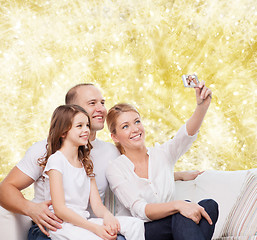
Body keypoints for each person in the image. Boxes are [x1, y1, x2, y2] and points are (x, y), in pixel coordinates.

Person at [0, 83, 202, 240]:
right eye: (92, 103)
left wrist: (177, 175)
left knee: (147, 226)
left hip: (89, 226)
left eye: (102, 102)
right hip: (53, 228)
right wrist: (30, 208)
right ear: (72, 110)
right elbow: (5, 188)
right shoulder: (46, 151)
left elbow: (132, 173)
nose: (101, 109)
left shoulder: (109, 152)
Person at [106, 81, 219, 240]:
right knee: (183, 211)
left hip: (174, 225)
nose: (135, 129)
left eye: (137, 121)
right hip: (142, 231)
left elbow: (185, 136)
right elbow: (140, 210)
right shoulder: (115, 168)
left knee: (209, 205)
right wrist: (178, 205)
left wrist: (202, 106)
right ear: (115, 137)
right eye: (125, 126)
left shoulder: (162, 155)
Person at [40, 104, 144, 240]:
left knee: (135, 224)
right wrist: (96, 229)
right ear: (63, 132)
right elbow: (60, 209)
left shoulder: (85, 163)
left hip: (83, 221)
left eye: (87, 125)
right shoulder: (56, 161)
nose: (86, 130)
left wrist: (108, 217)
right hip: (62, 225)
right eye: (79, 126)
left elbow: (97, 205)